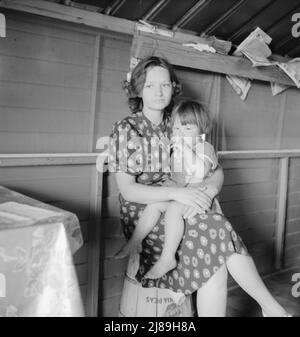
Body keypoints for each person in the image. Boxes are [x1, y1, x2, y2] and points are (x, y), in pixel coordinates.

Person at [108, 56, 291, 317]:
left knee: (215, 258)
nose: (159, 92)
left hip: (184, 199)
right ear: (138, 89)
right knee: (216, 231)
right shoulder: (126, 128)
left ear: (173, 87)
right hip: (144, 210)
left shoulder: (182, 118)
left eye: (165, 85)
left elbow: (215, 171)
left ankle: (269, 308)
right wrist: (179, 194)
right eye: (150, 85)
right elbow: (128, 190)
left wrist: (208, 192)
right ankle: (271, 308)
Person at [115, 100, 219, 280]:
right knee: (154, 206)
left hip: (195, 195)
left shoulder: (204, 148)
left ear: (202, 131)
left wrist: (185, 149)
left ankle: (167, 257)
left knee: (172, 211)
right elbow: (176, 175)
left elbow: (201, 171)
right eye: (177, 129)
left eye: (187, 129)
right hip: (180, 193)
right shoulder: (177, 147)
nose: (180, 134)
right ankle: (134, 242)